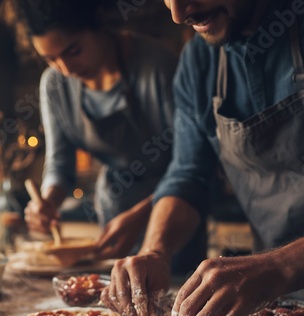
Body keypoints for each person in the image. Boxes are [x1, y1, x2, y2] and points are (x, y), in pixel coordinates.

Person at [102, 0, 304, 316]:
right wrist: (156, 250)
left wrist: (279, 266)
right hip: (276, 303)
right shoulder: (198, 61)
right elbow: (188, 174)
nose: (179, 14)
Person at [19, 0, 206, 274]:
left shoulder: (155, 67)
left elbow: (193, 165)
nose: (66, 69)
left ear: (98, 27)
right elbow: (60, 164)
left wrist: (142, 218)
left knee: (175, 302)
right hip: (115, 210)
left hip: (175, 214)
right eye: (50, 59)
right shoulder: (54, 85)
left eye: (73, 51)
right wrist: (48, 201)